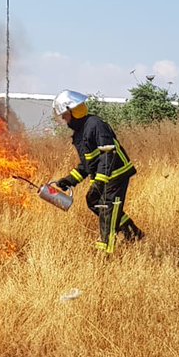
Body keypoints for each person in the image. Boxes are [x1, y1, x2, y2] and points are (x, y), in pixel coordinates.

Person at [49, 89, 144, 253]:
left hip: (116, 173)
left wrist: (100, 182)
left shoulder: (95, 124)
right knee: (93, 201)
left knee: (108, 208)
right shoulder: (80, 133)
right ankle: (135, 235)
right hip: (105, 175)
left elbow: (108, 153)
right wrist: (69, 180)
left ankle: (105, 253)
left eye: (65, 115)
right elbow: (88, 164)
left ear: (74, 111)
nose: (64, 120)